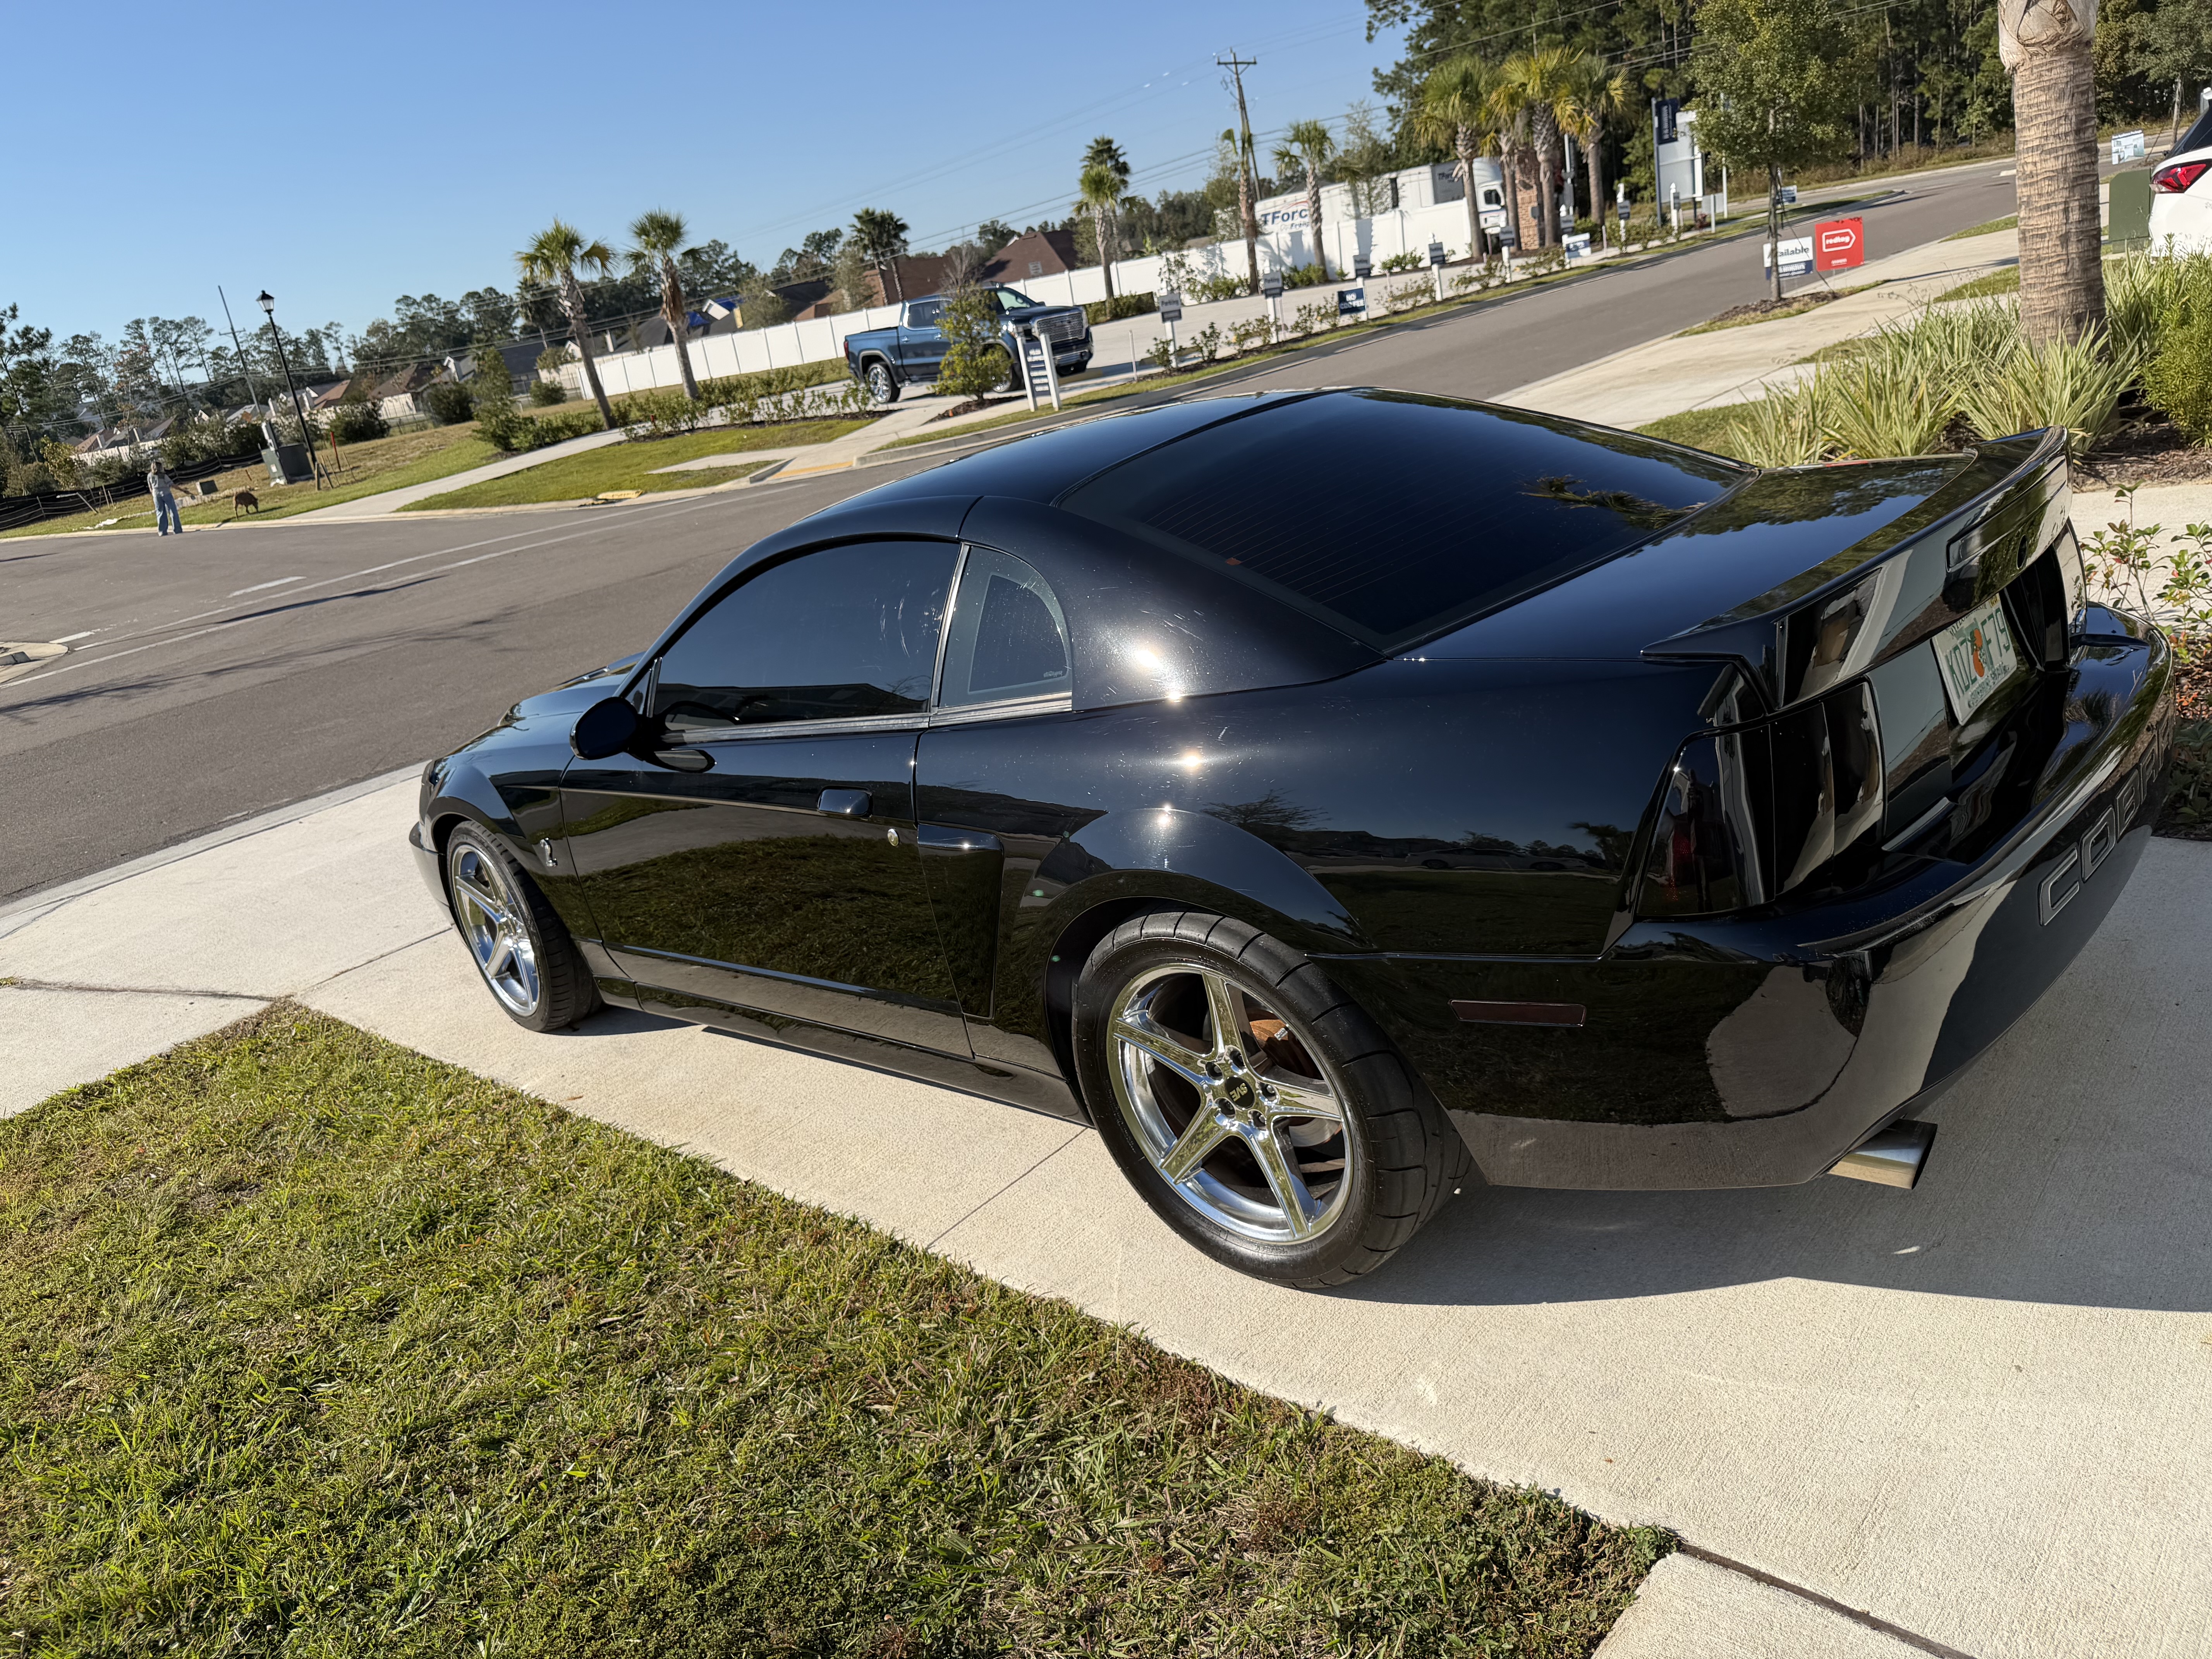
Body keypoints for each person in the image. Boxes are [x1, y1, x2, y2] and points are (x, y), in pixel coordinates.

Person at [148, 457, 183, 536]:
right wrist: (183, 490)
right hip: (166, 494)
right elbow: (172, 484)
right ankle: (177, 529)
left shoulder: (150, 476)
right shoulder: (163, 476)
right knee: (173, 511)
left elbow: (150, 487)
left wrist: (154, 493)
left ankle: (162, 531)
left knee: (160, 512)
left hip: (156, 495)